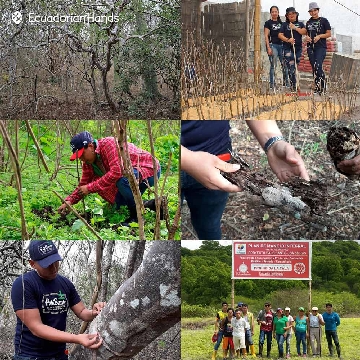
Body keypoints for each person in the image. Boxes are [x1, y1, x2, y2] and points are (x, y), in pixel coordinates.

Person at [181, 120, 310, 240]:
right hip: (166, 162)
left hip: (220, 162)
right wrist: (187, 160)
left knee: (210, 223)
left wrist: (273, 142)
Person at [11, 240, 105, 360]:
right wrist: (77, 338)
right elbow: (37, 328)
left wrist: (95, 312)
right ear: (32, 264)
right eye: (47, 264)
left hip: (59, 354)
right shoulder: (24, 284)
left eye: (56, 262)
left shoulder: (65, 284)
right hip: (30, 355)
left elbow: (82, 313)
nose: (54, 268)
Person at [57, 131, 161, 224]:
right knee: (119, 204)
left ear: (90, 146)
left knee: (121, 179)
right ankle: (154, 204)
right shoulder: (88, 164)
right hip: (132, 179)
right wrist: (69, 201)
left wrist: (89, 188)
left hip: (149, 169)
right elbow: (83, 185)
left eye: (82, 154)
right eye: (79, 157)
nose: (82, 159)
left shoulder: (108, 144)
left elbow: (116, 172)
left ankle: (137, 217)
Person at [305, 2, 331, 95]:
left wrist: (319, 36)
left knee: (318, 65)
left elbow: (328, 33)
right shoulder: (308, 22)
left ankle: (323, 86)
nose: (313, 12)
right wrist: (307, 37)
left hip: (320, 47)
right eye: (311, 11)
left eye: (315, 10)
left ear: (318, 10)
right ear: (309, 12)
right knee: (313, 67)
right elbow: (307, 33)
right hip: (310, 47)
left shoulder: (324, 21)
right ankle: (317, 87)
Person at [278, 7, 307, 91]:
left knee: (295, 66)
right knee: (291, 66)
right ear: (287, 16)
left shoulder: (300, 24)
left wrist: (294, 28)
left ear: (296, 14)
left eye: (293, 13)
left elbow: (304, 32)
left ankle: (295, 83)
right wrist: (288, 39)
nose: (291, 15)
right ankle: (293, 85)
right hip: (287, 49)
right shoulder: (284, 25)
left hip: (298, 49)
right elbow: (280, 35)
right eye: (289, 14)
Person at [264, 6, 289, 89]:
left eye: (276, 11)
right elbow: (266, 36)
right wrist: (268, 47)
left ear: (278, 13)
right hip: (273, 45)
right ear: (271, 13)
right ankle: (272, 84)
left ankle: (286, 83)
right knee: (273, 65)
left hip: (282, 46)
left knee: (284, 65)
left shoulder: (282, 23)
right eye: (273, 12)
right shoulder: (268, 23)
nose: (274, 13)